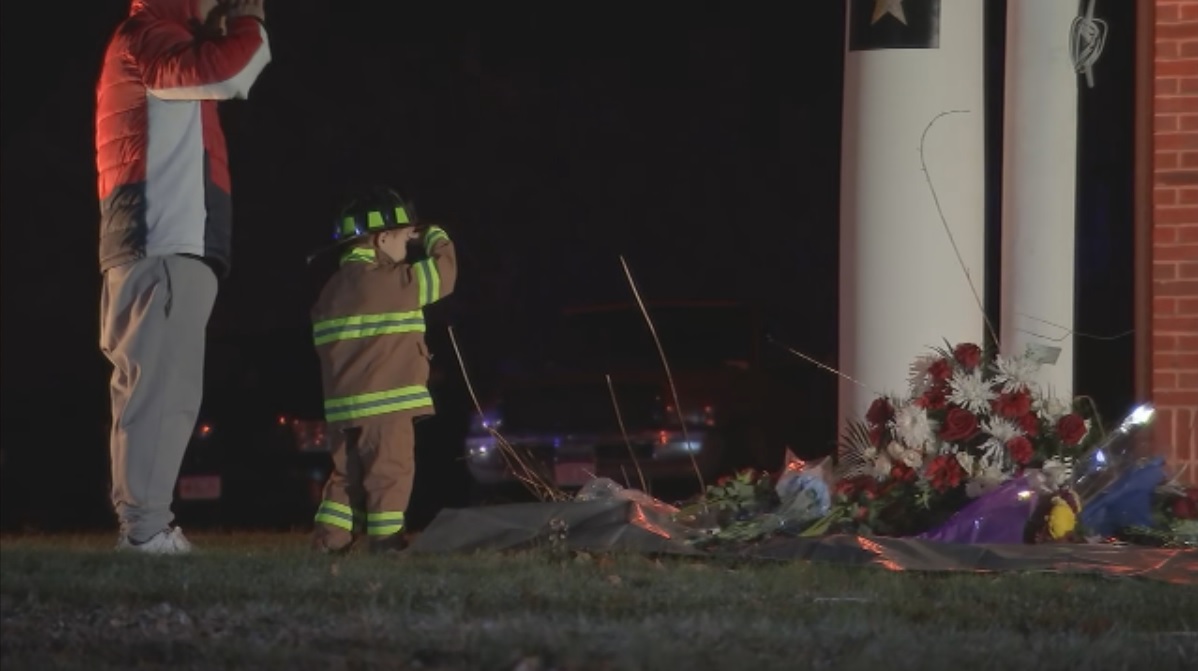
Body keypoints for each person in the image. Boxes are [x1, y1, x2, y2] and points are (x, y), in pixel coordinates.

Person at [95, 0, 272, 554]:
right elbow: (233, 71)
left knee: (151, 390)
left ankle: (144, 524)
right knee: (162, 391)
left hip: (156, 240)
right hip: (165, 240)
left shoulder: (156, 34)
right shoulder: (151, 33)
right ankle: (146, 531)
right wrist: (248, 23)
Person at [309, 188, 458, 554]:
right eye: (404, 236)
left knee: (346, 478)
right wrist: (435, 234)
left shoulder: (331, 291)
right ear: (382, 237)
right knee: (389, 474)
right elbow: (445, 273)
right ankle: (387, 545)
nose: (408, 244)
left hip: (343, 410)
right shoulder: (394, 282)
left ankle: (330, 543)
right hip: (387, 409)